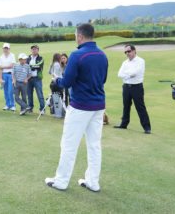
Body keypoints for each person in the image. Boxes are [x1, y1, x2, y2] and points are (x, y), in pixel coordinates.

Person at [45, 23, 108, 193]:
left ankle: (61, 181)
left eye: (75, 35)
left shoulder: (77, 54)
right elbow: (103, 80)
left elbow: (66, 82)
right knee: (94, 145)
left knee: (69, 144)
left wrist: (55, 80)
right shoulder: (102, 55)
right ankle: (93, 182)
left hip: (81, 106)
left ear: (80, 36)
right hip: (98, 106)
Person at [115, 45, 152, 134]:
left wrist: (126, 74)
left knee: (140, 107)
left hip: (137, 87)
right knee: (126, 106)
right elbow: (119, 74)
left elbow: (134, 73)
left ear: (134, 51)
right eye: (125, 52)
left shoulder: (141, 61)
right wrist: (128, 75)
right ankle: (124, 124)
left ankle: (147, 128)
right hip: (126, 87)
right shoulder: (125, 62)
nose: (127, 53)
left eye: (129, 51)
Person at [26, 44, 45, 114]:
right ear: (31, 50)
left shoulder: (41, 58)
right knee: (29, 94)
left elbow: (39, 66)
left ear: (38, 50)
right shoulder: (27, 58)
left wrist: (31, 66)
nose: (34, 50)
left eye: (35, 49)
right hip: (29, 78)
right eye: (33, 49)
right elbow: (25, 66)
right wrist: (32, 67)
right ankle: (30, 108)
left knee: (40, 94)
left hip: (37, 78)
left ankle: (42, 109)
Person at [0, 43, 16, 111]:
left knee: (10, 90)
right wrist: (0, 78)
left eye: (7, 48)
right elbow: (0, 68)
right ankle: (7, 105)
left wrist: (3, 67)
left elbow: (12, 65)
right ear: (3, 49)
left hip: (11, 74)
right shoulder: (1, 56)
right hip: (3, 75)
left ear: (9, 49)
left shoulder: (12, 55)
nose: (5, 49)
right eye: (4, 48)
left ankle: (13, 105)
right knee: (5, 91)